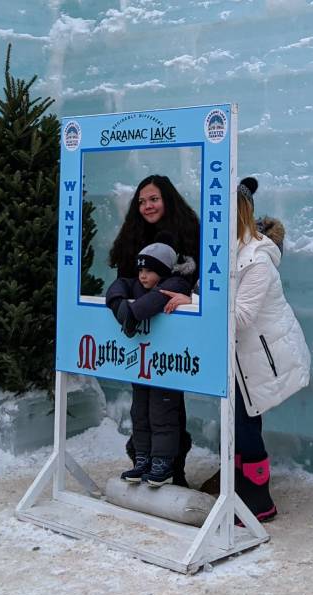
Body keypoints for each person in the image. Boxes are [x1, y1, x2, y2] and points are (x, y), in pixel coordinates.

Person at [163, 176, 310, 521]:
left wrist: (190, 302)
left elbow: (240, 316)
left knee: (246, 426)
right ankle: (241, 487)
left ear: (239, 214)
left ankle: (260, 502)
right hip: (239, 357)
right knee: (239, 422)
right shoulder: (227, 251)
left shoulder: (257, 260)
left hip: (260, 358)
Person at [110, 175, 200, 487]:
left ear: (168, 200)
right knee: (141, 403)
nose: (147, 206)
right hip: (141, 337)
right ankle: (142, 461)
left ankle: (173, 469)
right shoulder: (133, 239)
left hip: (172, 337)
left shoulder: (187, 235)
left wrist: (135, 310)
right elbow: (123, 279)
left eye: (154, 199)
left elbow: (185, 283)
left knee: (167, 405)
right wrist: (119, 303)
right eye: (142, 201)